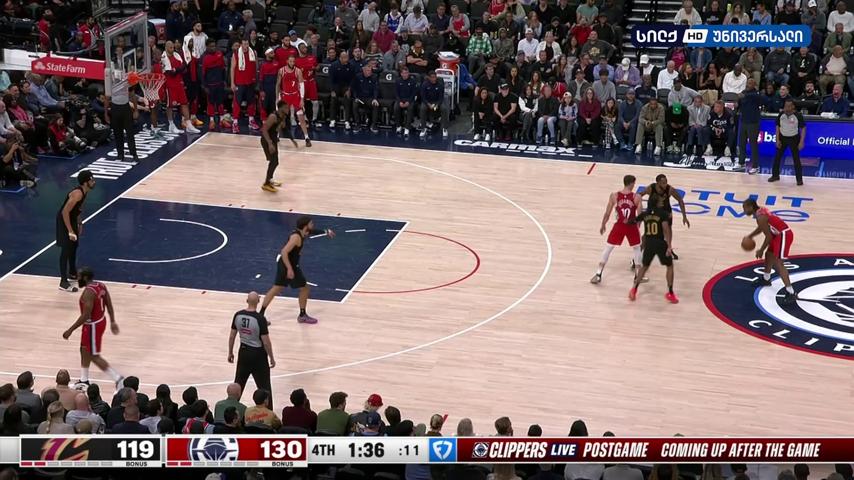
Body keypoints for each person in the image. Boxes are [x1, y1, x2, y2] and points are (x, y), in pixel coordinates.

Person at [259, 216, 336, 323]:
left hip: (285, 264)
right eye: (311, 223)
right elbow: (284, 252)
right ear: (305, 226)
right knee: (305, 288)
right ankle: (302, 315)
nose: (313, 225)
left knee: (276, 288)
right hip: (289, 265)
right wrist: (289, 269)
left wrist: (326, 231)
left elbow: (312, 231)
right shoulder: (296, 237)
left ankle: (260, 316)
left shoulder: (303, 232)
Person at [61, 267, 124, 389]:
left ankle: (118, 379)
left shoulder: (88, 293)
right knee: (83, 349)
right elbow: (108, 303)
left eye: (79, 276)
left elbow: (86, 315)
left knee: (94, 355)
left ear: (85, 277)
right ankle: (84, 380)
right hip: (99, 321)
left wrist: (70, 330)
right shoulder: (100, 285)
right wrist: (112, 321)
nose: (77, 278)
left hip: (93, 326)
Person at [742, 199, 797, 305]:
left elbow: (768, 236)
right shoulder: (760, 212)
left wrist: (761, 250)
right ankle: (766, 279)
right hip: (777, 235)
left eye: (745, 208)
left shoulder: (761, 217)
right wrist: (750, 236)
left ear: (751, 207)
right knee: (769, 255)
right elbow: (762, 228)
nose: (744, 211)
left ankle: (791, 292)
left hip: (783, 235)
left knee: (779, 263)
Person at [592, 175, 642, 284]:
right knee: (637, 248)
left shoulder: (614, 196)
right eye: (634, 183)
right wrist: (638, 226)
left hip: (619, 225)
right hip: (631, 226)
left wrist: (603, 225)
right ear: (631, 183)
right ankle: (638, 276)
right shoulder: (637, 197)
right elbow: (640, 216)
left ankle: (598, 273)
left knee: (608, 247)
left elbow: (607, 213)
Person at [229, 292, 275, 399]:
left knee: (238, 385)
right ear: (258, 301)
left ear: (247, 301)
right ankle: (268, 409)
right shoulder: (260, 319)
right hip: (258, 355)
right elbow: (266, 342)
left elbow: (231, 337)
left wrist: (230, 352)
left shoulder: (238, 315)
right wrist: (271, 357)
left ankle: (232, 407)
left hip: (243, 352)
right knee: (265, 388)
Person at [629, 207, 678, 303]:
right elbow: (666, 229)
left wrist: (626, 221)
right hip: (660, 243)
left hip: (649, 244)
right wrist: (669, 246)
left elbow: (633, 221)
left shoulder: (645, 214)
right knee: (669, 266)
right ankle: (670, 292)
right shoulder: (662, 214)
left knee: (644, 267)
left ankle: (634, 289)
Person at [56, 171, 94, 292]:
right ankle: (63, 282)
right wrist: (70, 231)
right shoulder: (78, 193)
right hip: (64, 220)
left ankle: (72, 273)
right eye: (91, 180)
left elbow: (77, 209)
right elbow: (65, 212)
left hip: (72, 219)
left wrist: (79, 222)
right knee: (66, 249)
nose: (94, 182)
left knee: (74, 246)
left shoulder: (85, 192)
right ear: (85, 182)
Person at [640, 174, 690, 261]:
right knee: (648, 233)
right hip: (653, 213)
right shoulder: (651, 188)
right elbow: (639, 195)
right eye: (663, 182)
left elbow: (680, 200)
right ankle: (639, 252)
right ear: (658, 183)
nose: (665, 184)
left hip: (665, 213)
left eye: (666, 182)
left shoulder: (670, 189)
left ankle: (669, 248)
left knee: (668, 231)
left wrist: (684, 216)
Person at [260, 101, 297, 193]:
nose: (288, 110)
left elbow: (284, 128)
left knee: (274, 161)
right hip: (267, 140)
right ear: (280, 108)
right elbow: (264, 130)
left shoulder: (283, 116)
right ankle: (266, 184)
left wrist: (292, 140)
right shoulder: (273, 116)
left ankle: (270, 179)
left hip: (273, 140)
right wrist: (269, 143)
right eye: (286, 108)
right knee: (274, 161)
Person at [277, 55, 313, 143]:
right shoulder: (281, 70)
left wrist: (302, 99)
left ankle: (306, 137)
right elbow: (278, 84)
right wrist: (278, 97)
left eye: (293, 61)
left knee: (301, 117)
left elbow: (301, 85)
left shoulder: (298, 71)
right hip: (285, 96)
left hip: (295, 96)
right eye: (290, 61)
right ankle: (277, 135)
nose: (292, 63)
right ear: (287, 61)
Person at [105, 69, 138, 163]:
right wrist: (106, 113)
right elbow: (107, 98)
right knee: (117, 133)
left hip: (125, 108)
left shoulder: (126, 81)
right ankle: (120, 154)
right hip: (115, 108)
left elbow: (132, 95)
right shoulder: (109, 84)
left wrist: (135, 110)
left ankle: (134, 154)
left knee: (130, 132)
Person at [770, 98, 806, 185]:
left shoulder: (798, 115)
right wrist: (777, 139)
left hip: (794, 138)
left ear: (793, 106)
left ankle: (799, 180)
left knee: (796, 159)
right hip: (783, 138)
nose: (787, 108)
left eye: (789, 106)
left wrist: (801, 142)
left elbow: (803, 128)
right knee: (777, 157)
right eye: (785, 106)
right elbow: (777, 127)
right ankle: (775, 176)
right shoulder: (781, 115)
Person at [738, 77, 762, 174]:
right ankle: (741, 163)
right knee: (742, 143)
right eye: (748, 82)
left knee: (753, 144)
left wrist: (743, 96)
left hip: (753, 123)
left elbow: (753, 97)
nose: (748, 84)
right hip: (744, 121)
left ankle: (755, 166)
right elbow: (739, 103)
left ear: (754, 85)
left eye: (751, 83)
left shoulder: (756, 94)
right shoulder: (743, 92)